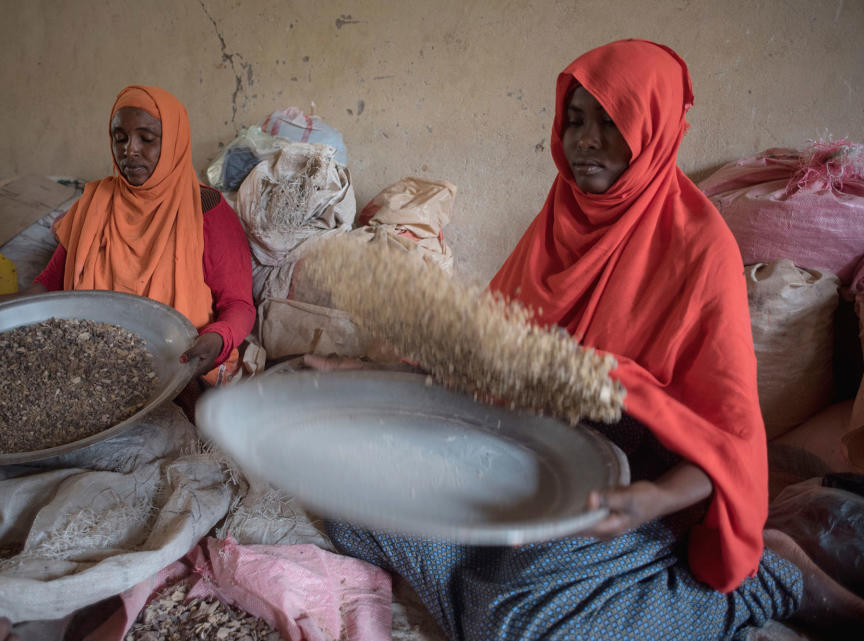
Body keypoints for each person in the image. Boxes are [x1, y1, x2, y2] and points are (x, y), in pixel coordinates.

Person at [325, 39, 864, 639]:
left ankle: (769, 577)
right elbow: (490, 361)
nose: (584, 141)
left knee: (519, 627)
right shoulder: (560, 219)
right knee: (355, 503)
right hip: (527, 452)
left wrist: (653, 499)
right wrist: (371, 377)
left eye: (612, 124)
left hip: (626, 484)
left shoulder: (699, 249)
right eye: (575, 121)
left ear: (653, 130)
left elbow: (725, 443)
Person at [0, 86, 255, 384]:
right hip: (95, 363)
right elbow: (50, 285)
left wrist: (217, 339)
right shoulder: (96, 204)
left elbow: (239, 304)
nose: (130, 151)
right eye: (120, 138)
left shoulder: (208, 212)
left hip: (182, 364)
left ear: (174, 142)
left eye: (146, 138)